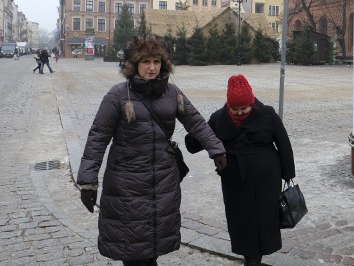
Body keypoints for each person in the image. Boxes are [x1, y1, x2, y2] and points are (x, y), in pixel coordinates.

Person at [76, 35, 227, 266]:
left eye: (156, 61)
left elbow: (195, 121)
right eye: (146, 61)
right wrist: (88, 181)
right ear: (134, 64)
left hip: (162, 179)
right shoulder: (117, 95)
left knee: (154, 239)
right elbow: (98, 136)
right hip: (128, 182)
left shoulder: (172, 92)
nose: (152, 67)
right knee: (132, 245)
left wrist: (216, 150)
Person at [185, 74, 296, 266]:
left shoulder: (268, 114)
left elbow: (283, 144)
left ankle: (257, 256)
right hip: (235, 178)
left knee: (265, 217)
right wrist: (193, 136)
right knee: (241, 219)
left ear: (252, 102)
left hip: (266, 177)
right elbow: (200, 140)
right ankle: (250, 258)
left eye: (243, 108)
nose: (238, 113)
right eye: (234, 109)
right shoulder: (218, 117)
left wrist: (288, 173)